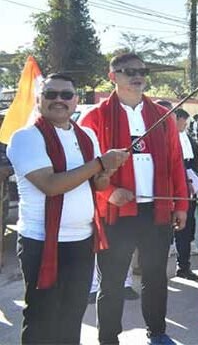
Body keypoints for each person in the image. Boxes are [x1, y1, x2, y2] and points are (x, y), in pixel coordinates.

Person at [8, 73, 129, 344]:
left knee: (73, 315)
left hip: (82, 241)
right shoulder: (26, 137)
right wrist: (100, 163)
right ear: (39, 99)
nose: (59, 100)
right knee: (43, 317)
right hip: (42, 243)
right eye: (51, 94)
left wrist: (106, 172)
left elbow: (96, 185)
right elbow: (50, 185)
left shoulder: (86, 136)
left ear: (76, 100)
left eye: (66, 95)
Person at [80, 53, 188, 345]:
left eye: (141, 70)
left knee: (155, 277)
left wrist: (181, 204)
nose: (136, 75)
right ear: (112, 75)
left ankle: (158, 332)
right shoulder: (94, 118)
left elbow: (175, 163)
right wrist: (108, 192)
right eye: (127, 71)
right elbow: (85, 167)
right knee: (112, 283)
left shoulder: (162, 116)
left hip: (157, 211)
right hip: (115, 213)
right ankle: (108, 339)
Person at [173, 108, 198, 280]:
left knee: (187, 227)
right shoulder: (165, 139)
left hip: (189, 188)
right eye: (183, 121)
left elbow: (193, 163)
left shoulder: (188, 138)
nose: (185, 125)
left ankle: (183, 266)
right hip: (172, 189)